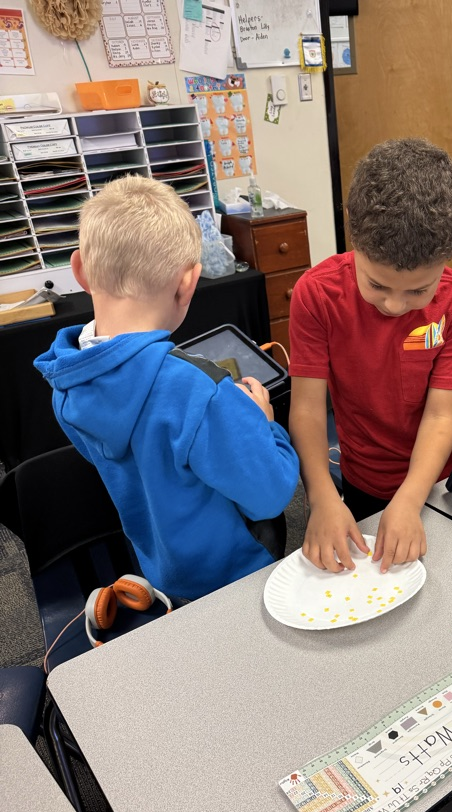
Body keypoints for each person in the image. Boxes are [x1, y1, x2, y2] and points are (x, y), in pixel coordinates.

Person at [34, 175, 299, 601]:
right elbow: (269, 496)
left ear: (80, 270)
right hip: (235, 572)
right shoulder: (202, 392)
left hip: (162, 568)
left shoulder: (64, 379)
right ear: (188, 282)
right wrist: (262, 421)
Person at [289, 137, 452, 573]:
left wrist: (412, 500)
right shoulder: (316, 295)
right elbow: (307, 409)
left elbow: (439, 416)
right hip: (365, 476)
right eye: (376, 285)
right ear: (351, 230)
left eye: (418, 290)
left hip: (443, 476)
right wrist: (321, 497)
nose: (394, 305)